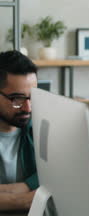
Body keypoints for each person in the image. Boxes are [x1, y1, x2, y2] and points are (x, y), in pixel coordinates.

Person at [0, 50, 38, 211]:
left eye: (32, 97)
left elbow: (61, 173)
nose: (28, 108)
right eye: (17, 99)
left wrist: (25, 186)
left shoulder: (41, 128)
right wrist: (20, 201)